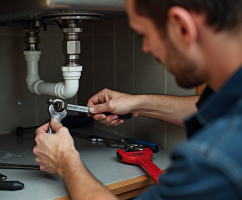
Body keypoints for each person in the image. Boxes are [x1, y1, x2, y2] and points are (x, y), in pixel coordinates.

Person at [33, 0, 242, 199]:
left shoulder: (213, 158)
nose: (146, 48)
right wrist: (139, 104)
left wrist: (65, 161)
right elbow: (208, 109)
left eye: (145, 35)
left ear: (183, 28)